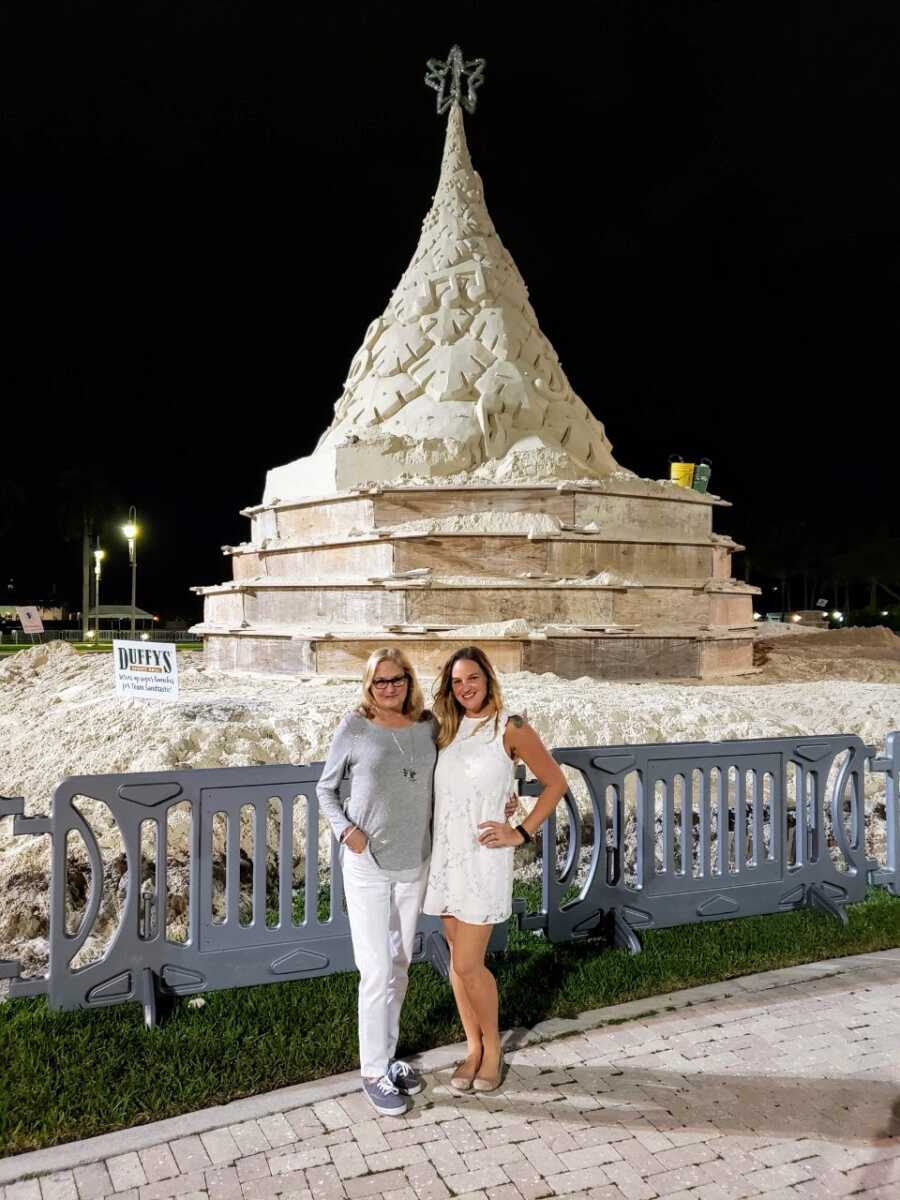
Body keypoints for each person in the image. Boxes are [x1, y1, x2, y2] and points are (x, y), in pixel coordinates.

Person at [423, 645, 567, 1092]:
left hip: (485, 856)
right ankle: (473, 1047)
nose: (465, 688)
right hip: (445, 855)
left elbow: (555, 783)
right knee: (456, 962)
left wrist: (520, 831)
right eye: (457, 681)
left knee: (470, 963)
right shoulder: (443, 729)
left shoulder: (513, 726)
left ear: (488, 679)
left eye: (473, 679)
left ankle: (493, 1047)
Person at [316, 647, 436, 1116]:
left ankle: (388, 1057)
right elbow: (325, 788)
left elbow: (459, 772)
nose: (388, 688)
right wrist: (346, 830)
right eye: (379, 682)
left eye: (396, 679)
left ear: (409, 680)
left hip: (415, 863)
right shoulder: (354, 726)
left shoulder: (428, 728)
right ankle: (372, 1072)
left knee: (401, 964)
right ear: (369, 687)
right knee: (377, 970)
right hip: (366, 864)